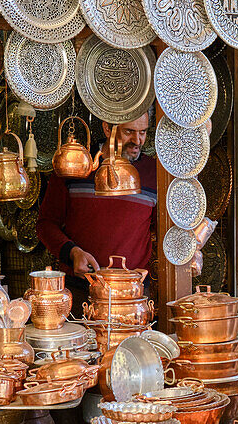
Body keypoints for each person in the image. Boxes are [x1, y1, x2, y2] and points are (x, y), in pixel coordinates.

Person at [36, 112, 157, 305]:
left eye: (143, 132)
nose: (137, 141)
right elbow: (46, 224)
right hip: (81, 289)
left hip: (133, 293)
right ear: (107, 128)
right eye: (129, 131)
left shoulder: (155, 173)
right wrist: (72, 252)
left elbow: (166, 230)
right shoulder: (75, 165)